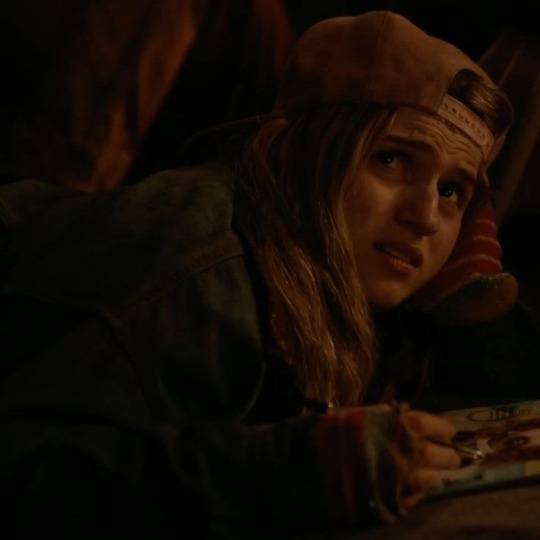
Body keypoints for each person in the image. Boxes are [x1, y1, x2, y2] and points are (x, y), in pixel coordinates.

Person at [1, 10, 539, 539]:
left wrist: (476, 309)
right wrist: (292, 472)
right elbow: (26, 478)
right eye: (391, 159)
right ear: (291, 151)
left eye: (451, 191)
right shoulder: (196, 276)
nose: (425, 217)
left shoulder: (349, 282)